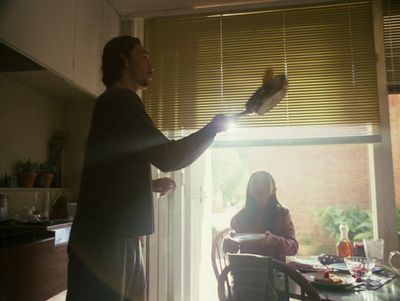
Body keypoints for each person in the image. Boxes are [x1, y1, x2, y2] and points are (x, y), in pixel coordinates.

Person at [66, 36, 230, 301]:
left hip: (118, 235)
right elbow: (168, 156)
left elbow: (109, 169)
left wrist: (147, 185)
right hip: (106, 240)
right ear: (123, 60)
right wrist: (212, 129)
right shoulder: (120, 100)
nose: (151, 63)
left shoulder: (117, 103)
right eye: (143, 55)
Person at [224, 171, 298, 262]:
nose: (259, 186)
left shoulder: (283, 214)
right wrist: (229, 240)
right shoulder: (240, 217)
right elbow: (230, 250)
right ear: (249, 190)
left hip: (275, 272)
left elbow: (294, 248)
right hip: (246, 271)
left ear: (274, 189)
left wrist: (275, 241)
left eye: (264, 183)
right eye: (255, 183)